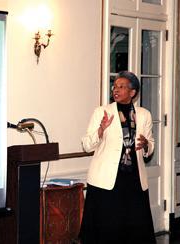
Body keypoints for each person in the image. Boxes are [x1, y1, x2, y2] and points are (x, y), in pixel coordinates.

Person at [79, 71, 156, 243]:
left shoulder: (144, 115)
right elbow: (86, 144)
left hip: (134, 180)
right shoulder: (102, 112)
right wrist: (101, 130)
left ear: (132, 92)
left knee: (134, 231)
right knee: (106, 230)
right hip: (106, 181)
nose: (116, 90)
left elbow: (150, 144)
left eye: (121, 87)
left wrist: (146, 146)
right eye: (115, 86)